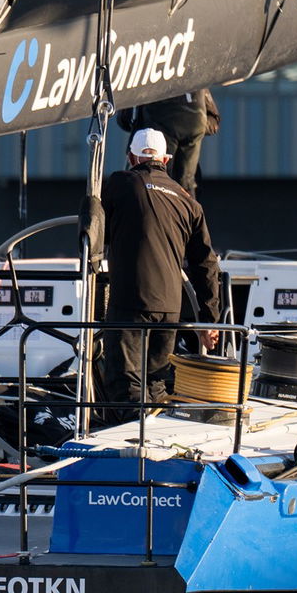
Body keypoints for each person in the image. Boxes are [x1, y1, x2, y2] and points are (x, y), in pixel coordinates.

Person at [100, 127, 222, 413]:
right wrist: (209, 321)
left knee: (125, 383)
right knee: (156, 382)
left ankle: (130, 436)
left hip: (130, 302)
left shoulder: (120, 183)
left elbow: (97, 233)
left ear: (132, 157)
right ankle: (156, 431)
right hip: (169, 309)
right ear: (166, 160)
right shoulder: (187, 201)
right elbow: (206, 264)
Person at [117, 88, 219, 196]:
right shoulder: (196, 82)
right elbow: (214, 122)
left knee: (151, 183)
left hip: (150, 177)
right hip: (185, 182)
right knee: (185, 184)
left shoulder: (148, 80)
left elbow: (125, 119)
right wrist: (194, 128)